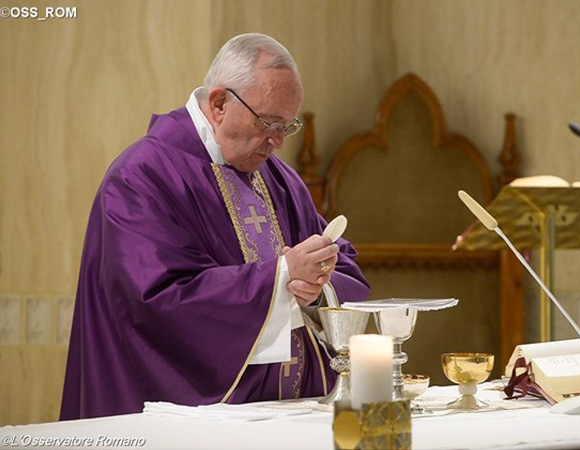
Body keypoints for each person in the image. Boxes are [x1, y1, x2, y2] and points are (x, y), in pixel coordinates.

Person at [60, 32, 370, 420]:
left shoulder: (280, 180)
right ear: (220, 102)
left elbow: (342, 265)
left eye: (287, 128)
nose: (277, 142)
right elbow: (158, 299)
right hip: (180, 421)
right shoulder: (141, 178)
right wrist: (281, 278)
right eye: (269, 123)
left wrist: (315, 291)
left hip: (286, 414)